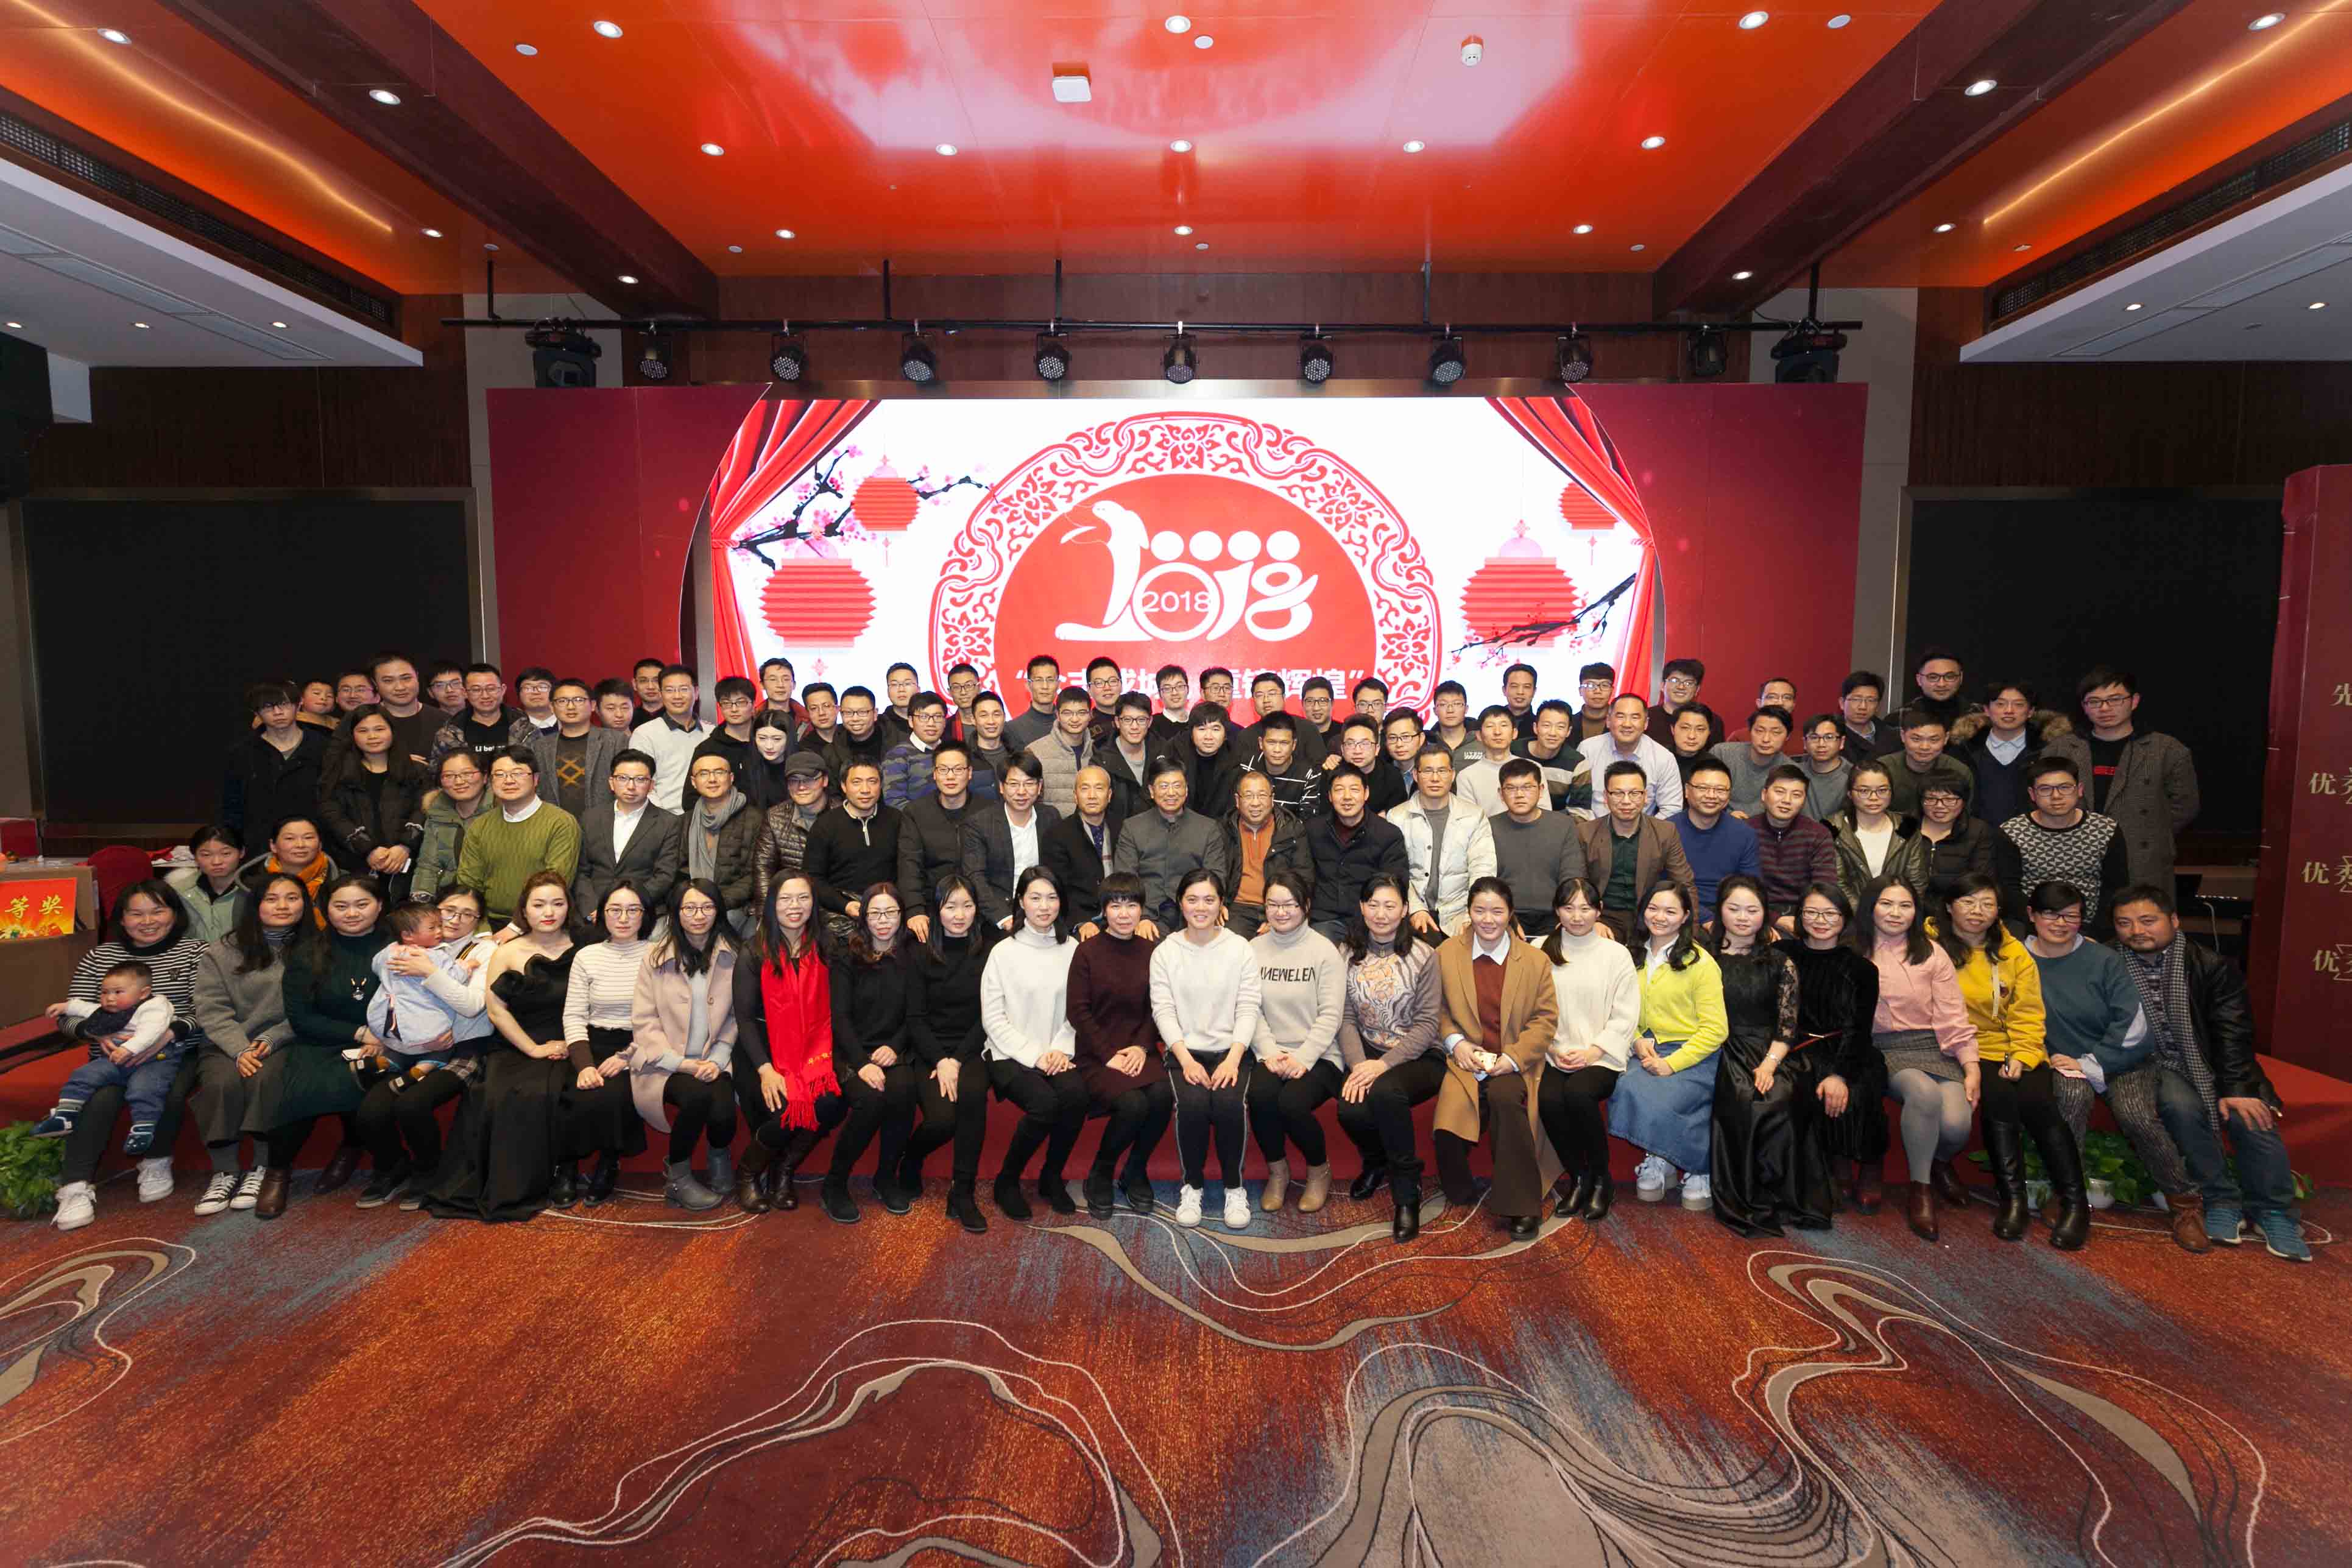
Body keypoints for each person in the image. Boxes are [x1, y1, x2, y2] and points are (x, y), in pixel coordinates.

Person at [2111, 885, 2308, 1262]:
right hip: (2156, 1064)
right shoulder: (2109, 962)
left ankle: (2274, 1212)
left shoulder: (2210, 965)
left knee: (2251, 1114)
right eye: (2125, 923)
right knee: (2180, 1108)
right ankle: (2221, 1199)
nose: (2137, 931)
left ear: (2174, 920)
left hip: (2216, 1061)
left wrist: (2236, 1087)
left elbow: (2233, 1031)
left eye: (2148, 921)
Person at [2022, 880, 2206, 1254]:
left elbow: (2135, 1024)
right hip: (2060, 1061)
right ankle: (2068, 1193)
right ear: (2031, 915)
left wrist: (2094, 1061)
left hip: (2122, 1058)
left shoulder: (2104, 959)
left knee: (2136, 1114)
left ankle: (2185, 1203)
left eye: (2071, 916)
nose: (2061, 924)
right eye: (2050, 915)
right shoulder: (2017, 960)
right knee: (2071, 1098)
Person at [43, 883, 211, 1231]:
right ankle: (74, 1187)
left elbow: (209, 1008)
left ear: (175, 914)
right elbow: (70, 1013)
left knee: (168, 1091)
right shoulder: (100, 957)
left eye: (158, 911)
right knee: (99, 1099)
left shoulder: (195, 952)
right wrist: (97, 1033)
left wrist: (168, 1034)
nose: (148, 921)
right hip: (110, 1054)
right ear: (122, 919)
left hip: (175, 1050)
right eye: (137, 913)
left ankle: (156, 1160)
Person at [1932, 874, 2087, 1248]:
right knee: (2000, 1096)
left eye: (1987, 904)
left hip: (2015, 1044)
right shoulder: (1931, 947)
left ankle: (2075, 1204)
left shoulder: (2013, 952)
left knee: (2039, 1101)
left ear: (1999, 911)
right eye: (1968, 902)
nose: (1977, 911)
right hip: (1963, 1046)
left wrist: (2022, 1054)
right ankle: (2013, 1200)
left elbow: (2028, 1012)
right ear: (1949, 906)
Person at [414, 872, 576, 1221]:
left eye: (558, 903)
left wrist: (572, 1042)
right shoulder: (506, 951)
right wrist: (533, 1049)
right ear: (524, 910)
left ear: (569, 907)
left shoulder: (586, 946)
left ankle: (560, 1173)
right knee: (494, 1092)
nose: (549, 912)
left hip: (571, 1038)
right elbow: (496, 1010)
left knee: (544, 1090)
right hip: (515, 1041)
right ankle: (498, 1186)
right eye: (539, 904)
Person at [245, 875, 389, 1220]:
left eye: (362, 904)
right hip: (322, 1039)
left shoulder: (397, 948)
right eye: (341, 906)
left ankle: (351, 1148)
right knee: (299, 1091)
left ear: (380, 906)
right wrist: (359, 1033)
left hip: (385, 1042)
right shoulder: (308, 952)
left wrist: (384, 1038)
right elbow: (301, 1018)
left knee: (362, 1079)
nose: (351, 913)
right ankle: (278, 1172)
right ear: (326, 909)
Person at [349, 885, 495, 1210]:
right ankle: (393, 1167)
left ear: (479, 921)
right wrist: (386, 1036)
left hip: (462, 1047)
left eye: (468, 914)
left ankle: (429, 1173)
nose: (455, 920)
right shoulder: (401, 949)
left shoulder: (483, 950)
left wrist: (428, 972)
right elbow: (392, 994)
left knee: (411, 1105)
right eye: (448, 911)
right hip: (410, 1047)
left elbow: (472, 1006)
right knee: (372, 1110)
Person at [1432, 878, 1560, 1240]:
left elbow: (1545, 1020)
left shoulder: (1535, 960)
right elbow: (1436, 1009)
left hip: (1514, 1061)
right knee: (1450, 1119)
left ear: (1511, 913)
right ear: (1469, 913)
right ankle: (1461, 1188)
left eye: (1497, 911)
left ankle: (1521, 1206)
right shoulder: (1446, 953)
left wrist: (1514, 1059)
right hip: (1466, 1061)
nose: (1488, 919)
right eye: (1480, 911)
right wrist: (1456, 1043)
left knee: (1505, 1099)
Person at [1859, 877, 1979, 1242]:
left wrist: (1970, 1065)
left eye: (1905, 905)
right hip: (1885, 1048)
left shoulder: (1932, 952)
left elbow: (1953, 1015)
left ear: (1917, 911)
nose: (1896, 913)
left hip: (1933, 1046)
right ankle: (1921, 1190)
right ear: (1871, 907)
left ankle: (1939, 1164)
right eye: (1886, 904)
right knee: (1924, 1093)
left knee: (1957, 1126)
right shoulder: (1856, 951)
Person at [184, 872, 311, 1215]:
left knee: (266, 1079)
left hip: (287, 1039)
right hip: (228, 1040)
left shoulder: (316, 949)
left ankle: (262, 1167)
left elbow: (313, 1008)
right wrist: (239, 1049)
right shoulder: (223, 951)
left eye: (292, 898)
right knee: (221, 1083)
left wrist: (272, 1038)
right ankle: (224, 1171)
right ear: (255, 905)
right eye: (272, 899)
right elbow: (211, 1008)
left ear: (305, 904)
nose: (283, 906)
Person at [1703, 877, 1823, 1237]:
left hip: (1770, 1050)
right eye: (1734, 909)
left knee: (1780, 1097)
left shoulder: (1780, 961)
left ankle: (1782, 1197)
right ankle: (1748, 1197)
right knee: (1744, 1098)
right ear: (1720, 911)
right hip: (1718, 1045)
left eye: (1752, 910)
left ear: (1764, 914)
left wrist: (1769, 1064)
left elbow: (1787, 1027)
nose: (1743, 917)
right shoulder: (1703, 958)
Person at [729, 872, 849, 1215]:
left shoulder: (828, 947)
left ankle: (784, 1171)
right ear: (772, 904)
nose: (794, 906)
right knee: (786, 1112)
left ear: (814, 903)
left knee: (830, 1103)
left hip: (815, 1047)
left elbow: (839, 1009)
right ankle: (748, 1172)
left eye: (803, 898)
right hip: (763, 1052)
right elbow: (745, 1019)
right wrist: (765, 1070)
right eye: (785, 899)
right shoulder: (753, 951)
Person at [1150, 866, 1263, 1230]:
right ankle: (1192, 1186)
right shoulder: (1166, 952)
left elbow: (1248, 1007)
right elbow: (1163, 1011)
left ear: (1222, 905)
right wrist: (1185, 1060)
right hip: (1186, 1052)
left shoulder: (1239, 948)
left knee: (1229, 1104)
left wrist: (1233, 1059)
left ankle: (1234, 1188)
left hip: (1232, 1051)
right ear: (1181, 903)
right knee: (1194, 1105)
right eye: (1193, 899)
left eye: (1209, 900)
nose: (1201, 907)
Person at [980, 864, 1090, 1218]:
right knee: (1044, 1104)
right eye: (1036, 898)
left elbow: (1078, 1008)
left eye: (1052, 898)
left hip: (1058, 1051)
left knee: (1076, 1096)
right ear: (1021, 902)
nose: (1044, 906)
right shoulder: (1003, 952)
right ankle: (1007, 1181)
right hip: (1009, 1055)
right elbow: (993, 1019)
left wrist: (1059, 1049)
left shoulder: (1072, 948)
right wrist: (1036, 1055)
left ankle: (1051, 1177)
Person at [1611, 881, 1727, 1209]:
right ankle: (1659, 1157)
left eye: (1670, 911)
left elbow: (1716, 1029)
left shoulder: (1700, 962)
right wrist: (1636, 1041)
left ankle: (1699, 1167)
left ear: (1686, 916)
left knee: (1667, 1095)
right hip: (1647, 1048)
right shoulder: (1630, 956)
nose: (1660, 917)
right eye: (1653, 908)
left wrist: (1672, 1063)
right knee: (1625, 1085)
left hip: (1694, 1052)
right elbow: (1618, 1009)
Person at [627, 880, 743, 1207]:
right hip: (664, 1062)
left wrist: (717, 1059)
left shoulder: (734, 955)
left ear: (718, 911)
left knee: (724, 1112)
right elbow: (644, 1020)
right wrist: (682, 1064)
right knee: (696, 1097)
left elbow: (737, 1016)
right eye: (689, 908)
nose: (699, 915)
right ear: (676, 913)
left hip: (713, 1059)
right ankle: (677, 1178)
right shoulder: (654, 957)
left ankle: (718, 1156)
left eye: (707, 907)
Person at [1065, 871, 1173, 1220]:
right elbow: (1077, 1011)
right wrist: (1108, 1055)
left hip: (1140, 1049)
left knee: (1162, 1095)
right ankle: (1101, 1170)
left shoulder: (1152, 952)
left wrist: (1141, 1048)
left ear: (1142, 909)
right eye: (1115, 905)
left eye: (1131, 905)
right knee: (1132, 1104)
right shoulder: (1086, 952)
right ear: (1104, 910)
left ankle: (1135, 1170)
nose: (1124, 914)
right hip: (1098, 1054)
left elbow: (1158, 1007)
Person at [1775, 883, 1885, 1214]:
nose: (1820, 921)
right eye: (1811, 912)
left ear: (1845, 919)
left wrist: (1840, 1074)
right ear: (1799, 916)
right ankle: (1832, 1164)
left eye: (1830, 913)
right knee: (1801, 1082)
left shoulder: (1862, 969)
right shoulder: (1784, 955)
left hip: (1846, 1046)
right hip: (1797, 1045)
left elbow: (1859, 1029)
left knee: (1861, 1084)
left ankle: (1869, 1164)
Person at [1536, 878, 1639, 1222]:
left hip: (1602, 1055)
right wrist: (1552, 1048)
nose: (1577, 917)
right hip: (1554, 1053)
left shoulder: (1616, 954)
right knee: (1549, 1099)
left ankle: (1601, 1180)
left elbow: (1626, 1014)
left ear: (1599, 911)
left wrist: (1594, 1052)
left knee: (1579, 1093)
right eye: (1568, 908)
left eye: (1585, 908)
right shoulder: (1541, 949)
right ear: (1557, 911)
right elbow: (1530, 1009)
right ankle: (1578, 1178)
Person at [900, 874, 998, 1232]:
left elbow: (990, 1015)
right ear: (936, 910)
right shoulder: (919, 951)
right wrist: (940, 1060)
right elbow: (915, 1017)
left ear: (977, 909)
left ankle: (963, 1192)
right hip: (929, 1049)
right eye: (951, 906)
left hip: (973, 1047)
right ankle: (911, 1159)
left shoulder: (991, 949)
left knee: (972, 1095)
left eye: (967, 906)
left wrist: (956, 1060)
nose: (959, 915)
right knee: (941, 1121)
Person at [2046, 667, 2200, 894]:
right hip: (2072, 855)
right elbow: (2042, 797)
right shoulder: (2062, 749)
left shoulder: (2167, 750)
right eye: (2095, 702)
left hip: (2142, 859)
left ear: (2134, 701)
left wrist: (2147, 831)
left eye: (2115, 700)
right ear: (2084, 707)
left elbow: (2185, 806)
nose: (2105, 708)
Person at [823, 883, 925, 1223]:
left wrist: (894, 1047)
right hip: (853, 1051)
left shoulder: (914, 955)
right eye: (875, 913)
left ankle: (885, 1177)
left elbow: (916, 1013)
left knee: (904, 1090)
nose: (883, 921)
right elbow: (840, 1017)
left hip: (894, 1048)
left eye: (890, 913)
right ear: (864, 917)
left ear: (902, 915)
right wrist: (862, 1063)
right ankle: (835, 1183)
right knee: (871, 1100)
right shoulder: (846, 955)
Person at [1245, 871, 1346, 1213]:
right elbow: (1250, 1009)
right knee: (1260, 1095)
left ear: (1306, 905)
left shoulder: (1324, 952)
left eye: (1289, 904)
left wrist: (1303, 1058)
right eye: (1273, 904)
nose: (1281, 912)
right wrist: (1269, 1052)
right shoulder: (1253, 950)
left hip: (1320, 1055)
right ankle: (1278, 1172)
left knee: (1292, 1102)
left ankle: (1319, 1170)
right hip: (1272, 1052)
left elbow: (1331, 1015)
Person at [32, 960, 182, 1154]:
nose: (109, 998)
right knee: (83, 1075)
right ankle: (64, 1116)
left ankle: (143, 1129)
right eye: (104, 993)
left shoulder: (155, 1006)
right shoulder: (112, 1008)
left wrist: (128, 1048)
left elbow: (151, 1032)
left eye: (118, 992)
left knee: (145, 1089)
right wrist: (67, 1006)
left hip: (153, 1060)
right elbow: (89, 1009)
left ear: (143, 994)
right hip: (116, 1059)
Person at [1994, 756, 2130, 933]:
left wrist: (2093, 934)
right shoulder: (2012, 831)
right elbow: (2009, 890)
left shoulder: (2106, 829)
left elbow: (2115, 888)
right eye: (2045, 789)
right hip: (2032, 929)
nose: (2056, 796)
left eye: (2065, 787)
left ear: (2079, 790)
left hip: (2093, 930)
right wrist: (2041, 928)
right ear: (2032, 794)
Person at [454, 747, 582, 927]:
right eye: (500, 775)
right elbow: (468, 884)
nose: (509, 781)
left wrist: (515, 929)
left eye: (518, 773)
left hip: (543, 923)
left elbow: (555, 887)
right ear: (490, 781)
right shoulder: (480, 826)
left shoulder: (561, 823)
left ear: (535, 779)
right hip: (486, 923)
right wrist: (482, 930)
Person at [1573, 761, 1695, 941]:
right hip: (1603, 916)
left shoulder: (1665, 832)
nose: (1626, 801)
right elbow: (1577, 885)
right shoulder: (1585, 833)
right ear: (1606, 797)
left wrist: (1690, 931)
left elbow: (1684, 883)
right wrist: (1593, 921)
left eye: (1635, 793)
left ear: (1645, 796)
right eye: (1618, 793)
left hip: (1649, 915)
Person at [1389, 746, 1496, 941]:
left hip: (1460, 910)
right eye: (1428, 771)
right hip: (1413, 909)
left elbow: (1483, 869)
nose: (1435, 778)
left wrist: (1473, 912)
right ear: (1416, 775)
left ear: (1453, 774)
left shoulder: (1474, 816)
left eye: (1442, 771)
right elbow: (1396, 872)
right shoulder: (1397, 817)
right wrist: (1416, 909)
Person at [1113, 757, 1229, 934]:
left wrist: (1209, 908)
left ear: (1186, 790)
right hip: (1149, 916)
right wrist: (1141, 917)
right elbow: (1125, 879)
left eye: (1177, 786)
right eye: (1164, 786)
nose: (1171, 793)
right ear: (1152, 791)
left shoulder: (1207, 828)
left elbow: (1216, 877)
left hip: (1194, 914)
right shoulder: (1133, 827)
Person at [317, 705, 425, 894]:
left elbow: (423, 810)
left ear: (392, 731)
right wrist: (368, 849)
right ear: (352, 735)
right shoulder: (338, 772)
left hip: (410, 863)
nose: (372, 736)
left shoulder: (417, 770)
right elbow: (332, 815)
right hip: (355, 864)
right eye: (363, 731)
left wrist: (405, 847)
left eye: (379, 729)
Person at [572, 749, 681, 921]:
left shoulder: (669, 823)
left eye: (640, 779)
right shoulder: (591, 818)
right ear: (612, 783)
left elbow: (664, 876)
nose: (631, 786)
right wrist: (592, 908)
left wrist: (626, 909)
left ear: (651, 785)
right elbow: (581, 871)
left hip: (643, 912)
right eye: (623, 778)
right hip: (594, 913)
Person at [1307, 765, 1410, 943]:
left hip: (1371, 919)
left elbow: (1395, 883)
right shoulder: (1313, 830)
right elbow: (1302, 876)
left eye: (1354, 790)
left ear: (1366, 793)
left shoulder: (1387, 834)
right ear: (1330, 796)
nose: (1347, 797)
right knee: (1320, 948)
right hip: (1325, 919)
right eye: (1339, 790)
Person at [802, 760, 903, 942]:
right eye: (857, 782)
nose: (865, 790)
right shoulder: (825, 825)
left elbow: (908, 870)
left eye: (872, 782)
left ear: (881, 785)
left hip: (889, 907)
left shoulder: (897, 820)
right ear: (843, 786)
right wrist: (845, 905)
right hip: (841, 909)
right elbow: (813, 879)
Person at [1487, 759, 1585, 939]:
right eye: (1511, 788)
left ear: (1541, 790)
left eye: (1527, 787)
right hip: (1505, 915)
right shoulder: (1488, 827)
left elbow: (1572, 877)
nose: (1519, 795)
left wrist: (1567, 916)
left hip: (1555, 915)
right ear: (1501, 794)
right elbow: (1487, 881)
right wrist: (1504, 917)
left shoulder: (1564, 825)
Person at [1952, 680, 2068, 830]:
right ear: (1986, 710)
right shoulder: (1965, 749)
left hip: (2034, 835)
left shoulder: (2049, 750)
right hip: (1975, 836)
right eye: (2000, 704)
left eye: (2019, 705)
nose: (2009, 711)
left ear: (2031, 711)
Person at [962, 752, 1061, 930]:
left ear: (1040, 787)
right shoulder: (980, 824)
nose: (1021, 792)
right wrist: (1003, 918)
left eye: (1029, 784)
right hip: (998, 915)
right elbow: (975, 876)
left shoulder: (1050, 817)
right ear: (1002, 787)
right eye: (1014, 784)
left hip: (1044, 910)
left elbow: (1060, 871)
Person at [224, 681, 330, 843]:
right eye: (268, 707)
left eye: (284, 704)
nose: (278, 712)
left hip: (315, 841)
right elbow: (232, 805)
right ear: (256, 713)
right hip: (259, 841)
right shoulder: (242, 753)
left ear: (299, 705)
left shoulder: (325, 748)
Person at [896, 740, 981, 942]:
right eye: (943, 770)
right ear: (934, 774)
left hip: (978, 907)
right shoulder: (916, 812)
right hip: (931, 907)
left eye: (958, 769)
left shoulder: (987, 811)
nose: (950, 776)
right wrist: (915, 909)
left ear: (970, 773)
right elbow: (909, 865)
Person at [674, 752, 761, 936]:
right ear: (693, 782)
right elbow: (676, 871)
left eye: (719, 772)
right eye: (704, 774)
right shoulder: (684, 822)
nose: (712, 779)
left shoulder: (754, 819)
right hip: (691, 901)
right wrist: (691, 901)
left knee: (722, 921)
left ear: (731, 778)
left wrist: (716, 902)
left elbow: (755, 874)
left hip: (734, 904)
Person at [1220, 771, 1313, 939]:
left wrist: (1281, 914)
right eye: (1249, 796)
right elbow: (1213, 872)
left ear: (1272, 798)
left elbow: (1304, 877)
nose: (1256, 803)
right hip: (1237, 909)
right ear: (1237, 800)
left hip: (1281, 906)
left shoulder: (1291, 829)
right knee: (1232, 945)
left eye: (1262, 795)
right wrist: (1216, 903)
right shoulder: (1223, 830)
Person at [1670, 759, 1759, 925]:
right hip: (1679, 910)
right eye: (1703, 788)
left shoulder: (1744, 834)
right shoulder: (1667, 831)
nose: (1711, 796)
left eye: (1720, 790)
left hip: (1730, 914)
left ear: (1729, 794)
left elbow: (1750, 886)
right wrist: (1706, 919)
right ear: (1687, 791)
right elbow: (1665, 886)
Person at [1828, 761, 1928, 907]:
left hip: (1897, 913)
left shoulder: (1907, 827)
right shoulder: (1833, 828)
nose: (1874, 797)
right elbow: (1837, 883)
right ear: (1850, 793)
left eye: (1882, 790)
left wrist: (1900, 911)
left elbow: (1916, 882)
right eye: (1864, 791)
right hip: (1850, 914)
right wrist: (1866, 914)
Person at [1751, 766, 1840, 932]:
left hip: (1804, 913)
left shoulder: (1818, 835)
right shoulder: (1746, 831)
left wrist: (1802, 919)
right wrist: (1773, 919)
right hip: (1756, 913)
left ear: (1804, 801)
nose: (1787, 800)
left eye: (1796, 795)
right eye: (1780, 792)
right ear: (1764, 794)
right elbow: (1738, 887)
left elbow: (1824, 888)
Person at [1041, 765, 1123, 938]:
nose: (1092, 796)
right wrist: (1081, 922)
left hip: (1122, 913)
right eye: (1085, 789)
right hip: (1080, 919)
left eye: (1099, 788)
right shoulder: (1057, 835)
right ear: (1075, 796)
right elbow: (1058, 888)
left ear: (1109, 795)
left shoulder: (1124, 829)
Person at [528, 677, 623, 819]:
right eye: (562, 701)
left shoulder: (615, 741)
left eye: (579, 700)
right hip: (555, 824)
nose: (571, 707)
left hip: (605, 823)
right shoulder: (540, 747)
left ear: (592, 705)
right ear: (552, 707)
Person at [1578, 694, 1683, 818]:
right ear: (1608, 721)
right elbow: (1578, 802)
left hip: (1643, 828)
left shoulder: (1664, 758)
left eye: (1635, 717)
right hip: (1593, 825)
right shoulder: (1588, 750)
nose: (1627, 724)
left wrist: (1646, 829)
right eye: (1620, 716)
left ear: (1646, 723)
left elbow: (1672, 808)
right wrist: (1593, 828)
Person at [752, 750, 832, 909]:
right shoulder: (775, 817)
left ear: (825, 781)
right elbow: (763, 870)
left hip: (832, 904)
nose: (801, 787)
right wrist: (767, 914)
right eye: (794, 780)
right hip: (790, 904)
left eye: (809, 779)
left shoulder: (842, 814)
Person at [628, 664, 712, 812]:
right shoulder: (645, 734)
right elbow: (641, 783)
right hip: (665, 818)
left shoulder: (711, 733)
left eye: (684, 689)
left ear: (696, 692)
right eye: (669, 690)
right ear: (661, 694)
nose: (677, 696)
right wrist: (664, 819)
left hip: (708, 816)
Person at [412, 750, 490, 901]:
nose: (459, 782)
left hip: (489, 899)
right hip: (447, 897)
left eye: (467, 774)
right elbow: (428, 866)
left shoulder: (501, 811)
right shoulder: (436, 812)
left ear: (485, 777)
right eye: (449, 776)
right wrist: (421, 902)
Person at [429, 663, 534, 768]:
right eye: (476, 690)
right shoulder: (448, 734)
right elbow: (437, 773)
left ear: (503, 690)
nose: (485, 696)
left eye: (491, 689)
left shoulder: (526, 729)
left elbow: (538, 768)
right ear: (465, 693)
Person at [1914, 781, 1996, 909]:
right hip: (1909, 904)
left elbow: (1980, 880)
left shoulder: (1978, 830)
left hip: (1958, 906)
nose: (1939, 806)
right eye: (1931, 799)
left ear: (1964, 802)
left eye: (1949, 800)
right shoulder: (1906, 824)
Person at [1881, 709, 1975, 818]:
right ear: (1903, 736)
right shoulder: (1883, 769)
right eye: (1916, 739)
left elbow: (1964, 816)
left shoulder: (1959, 771)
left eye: (1934, 740)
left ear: (1946, 738)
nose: (1925, 747)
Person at [169, 824, 250, 945]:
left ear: (242, 852)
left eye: (226, 853)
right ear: (194, 856)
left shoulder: (254, 890)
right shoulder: (179, 891)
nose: (217, 862)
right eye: (206, 855)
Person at [1711, 707, 1792, 816]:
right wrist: (1725, 815)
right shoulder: (1722, 753)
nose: (1766, 739)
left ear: (1787, 736)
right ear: (1750, 731)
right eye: (1759, 731)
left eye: (1776, 733)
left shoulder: (1790, 770)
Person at [1245, 712, 1325, 820]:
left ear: (1294, 745)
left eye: (1284, 743)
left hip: (1294, 830)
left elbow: (1309, 820)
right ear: (1261, 743)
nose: (1277, 750)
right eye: (1271, 742)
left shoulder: (1309, 773)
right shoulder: (1247, 766)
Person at [881, 691, 952, 808]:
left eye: (938, 717)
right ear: (911, 721)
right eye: (924, 717)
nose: (931, 723)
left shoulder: (952, 752)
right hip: (916, 818)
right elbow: (894, 802)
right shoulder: (897, 756)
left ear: (945, 722)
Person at [1452, 705, 1528, 811]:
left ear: (1514, 733)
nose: (1497, 732)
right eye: (1490, 726)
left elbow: (1544, 814)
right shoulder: (1466, 776)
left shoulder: (1532, 769)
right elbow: (1468, 818)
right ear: (1479, 735)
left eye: (1504, 725)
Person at [822, 686, 891, 791]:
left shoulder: (897, 742)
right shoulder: (831, 753)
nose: (855, 719)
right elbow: (833, 793)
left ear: (875, 714)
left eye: (862, 712)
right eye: (848, 713)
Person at [1518, 701, 1583, 811]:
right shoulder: (1514, 751)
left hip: (1557, 821)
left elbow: (1580, 811)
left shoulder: (1577, 763)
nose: (1553, 733)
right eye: (1546, 726)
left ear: (1569, 731)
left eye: (1560, 727)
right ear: (1535, 728)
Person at [1100, 691, 1158, 815]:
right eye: (1127, 720)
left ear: (1150, 722)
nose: (1135, 726)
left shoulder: (1163, 752)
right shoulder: (1101, 760)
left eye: (1141, 720)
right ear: (1117, 722)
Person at [1646, 658, 1723, 750]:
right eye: (1675, 680)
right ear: (1662, 685)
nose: (1681, 687)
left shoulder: (1711, 720)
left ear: (1697, 690)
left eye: (1688, 683)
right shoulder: (1646, 717)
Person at [1181, 703, 1244, 814]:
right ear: (1191, 733)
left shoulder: (1236, 764)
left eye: (1215, 729)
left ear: (1225, 734)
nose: (1208, 737)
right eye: (1202, 729)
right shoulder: (1178, 760)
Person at [1796, 713, 1852, 822]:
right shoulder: (1793, 773)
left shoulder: (1854, 777)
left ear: (1842, 742)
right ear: (1805, 743)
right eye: (1814, 738)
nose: (1821, 744)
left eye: (1829, 737)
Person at [1003, 653, 1062, 752]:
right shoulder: (1012, 729)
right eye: (1039, 680)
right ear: (1028, 685)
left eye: (1050, 680)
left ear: (1058, 684)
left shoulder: (1069, 724)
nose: (1045, 686)